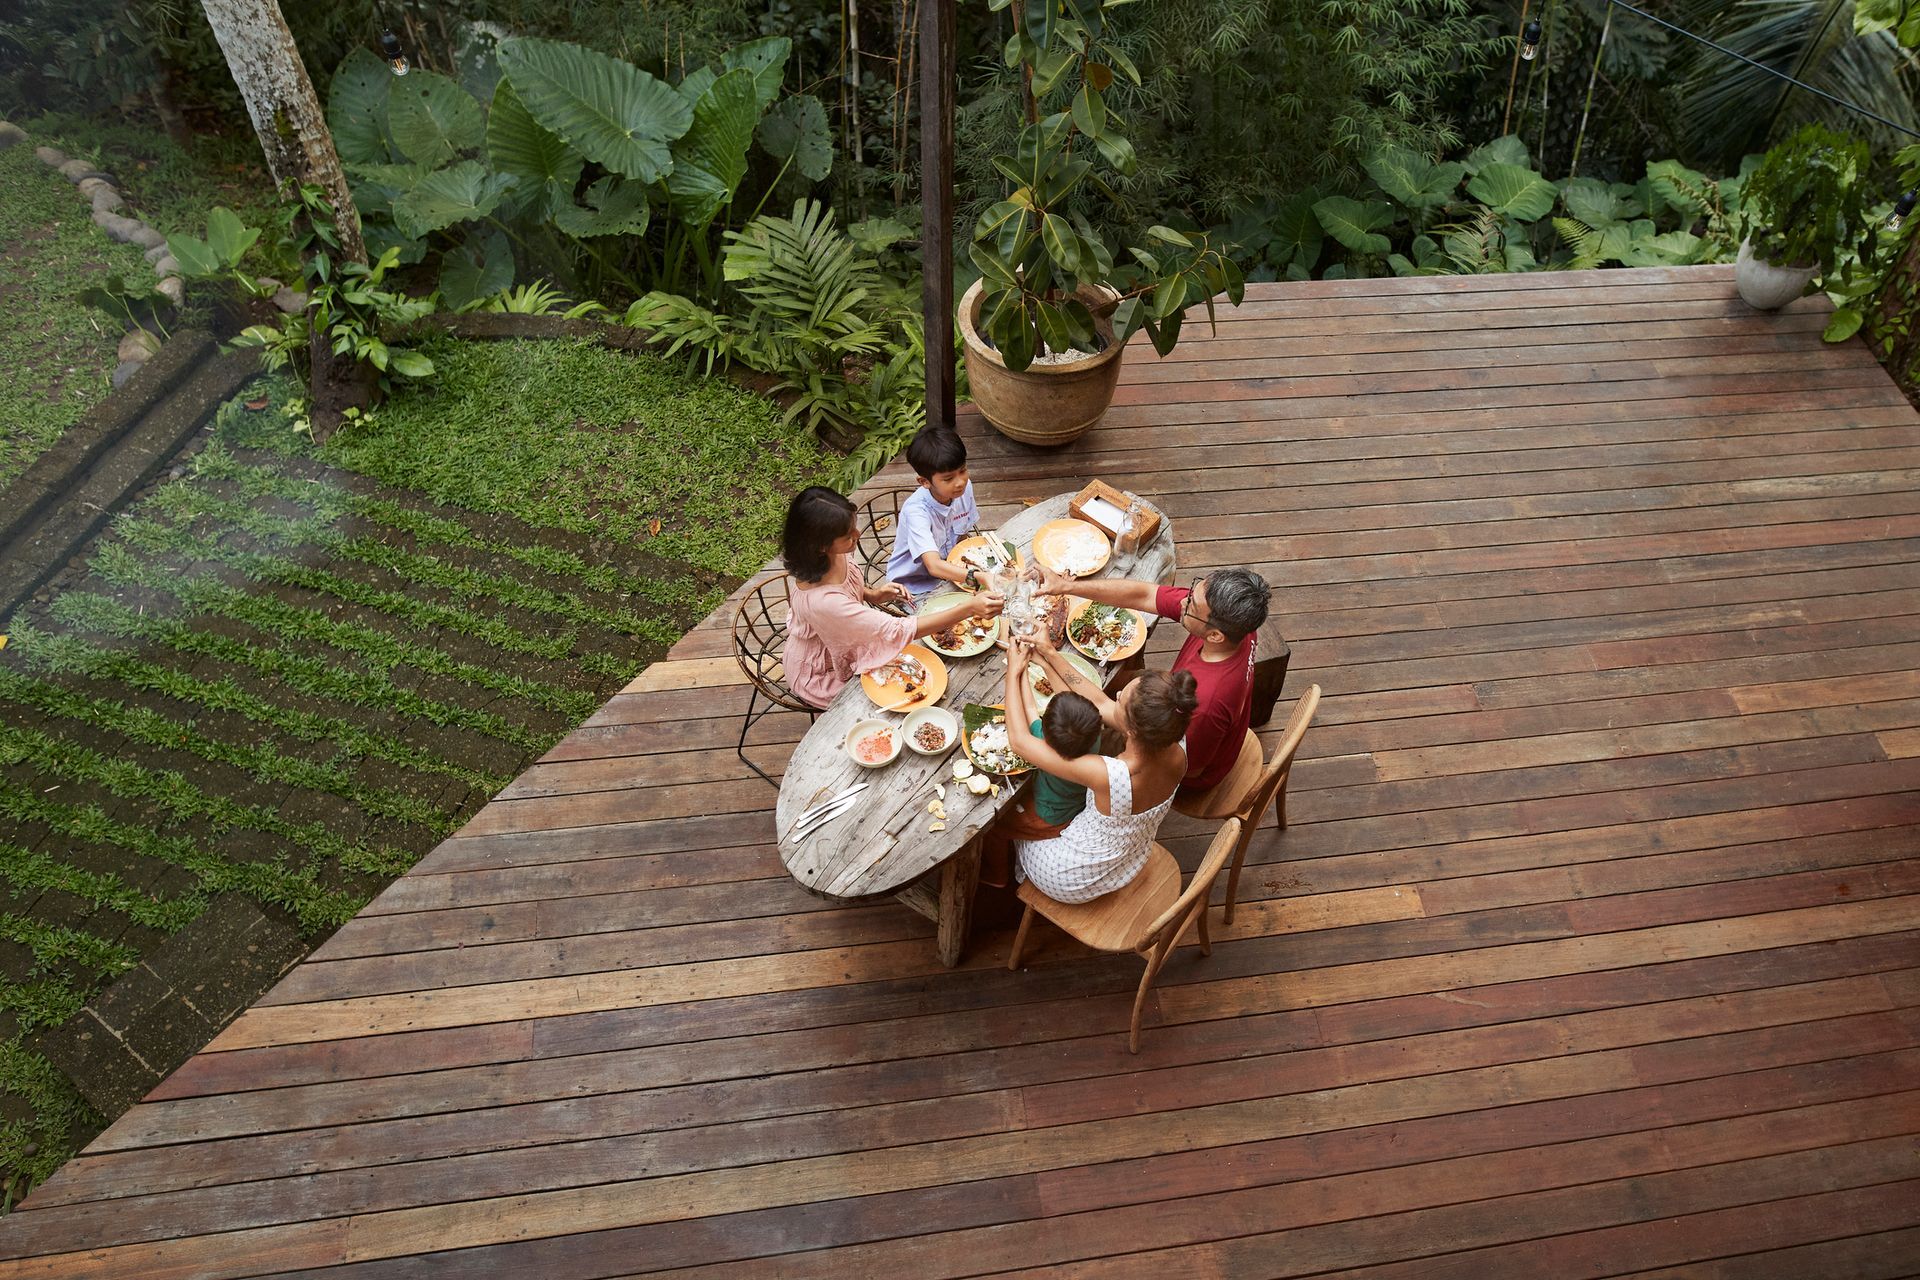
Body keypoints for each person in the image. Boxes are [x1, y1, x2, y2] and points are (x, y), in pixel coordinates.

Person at [1029, 562, 1271, 796]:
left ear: (1216, 635)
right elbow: (1145, 595)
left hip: (1181, 772)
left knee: (1073, 732)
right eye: (1190, 594)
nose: (1183, 602)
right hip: (1186, 715)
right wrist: (1064, 586)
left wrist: (1050, 656)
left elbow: (1190, 769)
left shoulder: (1205, 703)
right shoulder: (1237, 625)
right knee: (1107, 689)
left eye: (1191, 605)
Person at [1003, 639, 1197, 903]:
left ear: (1131, 730)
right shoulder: (1175, 738)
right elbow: (1097, 700)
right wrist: (1049, 655)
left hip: (1067, 874)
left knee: (1001, 816)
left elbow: (1020, 742)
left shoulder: (1114, 775)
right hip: (1128, 857)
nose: (1115, 696)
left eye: (1120, 699)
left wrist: (1014, 672)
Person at [781, 487, 1002, 709]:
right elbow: (897, 629)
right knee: (881, 703)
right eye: (848, 535)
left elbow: (845, 587)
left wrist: (874, 595)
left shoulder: (834, 554)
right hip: (822, 671)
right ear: (820, 546)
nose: (857, 536)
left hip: (847, 632)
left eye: (854, 528)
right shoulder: (824, 603)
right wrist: (970, 608)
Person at [978, 672, 1103, 889]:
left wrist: (1017, 674)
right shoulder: (1093, 735)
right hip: (1074, 802)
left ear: (1045, 731)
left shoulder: (1040, 741)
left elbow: (1028, 710)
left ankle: (997, 875)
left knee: (992, 828)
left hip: (1049, 817)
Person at [884, 427, 982, 600]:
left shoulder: (964, 489)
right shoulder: (916, 511)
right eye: (948, 478)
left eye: (963, 470)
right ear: (925, 482)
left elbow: (962, 535)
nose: (960, 482)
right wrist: (979, 576)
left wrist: (971, 563)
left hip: (951, 572)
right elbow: (933, 566)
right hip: (913, 587)